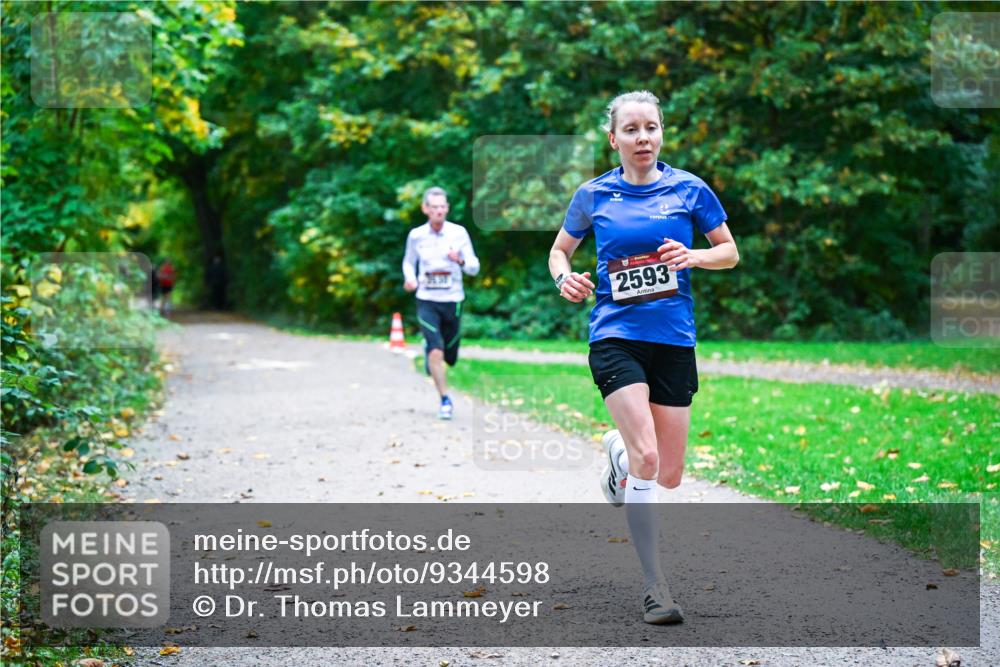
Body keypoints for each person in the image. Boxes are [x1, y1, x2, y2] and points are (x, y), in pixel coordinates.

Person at [548, 90, 739, 624]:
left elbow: (729, 250)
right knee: (648, 459)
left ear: (661, 134)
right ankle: (657, 587)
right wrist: (566, 278)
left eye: (650, 128)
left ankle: (618, 460)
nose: (643, 138)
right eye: (631, 129)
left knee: (670, 473)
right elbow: (560, 250)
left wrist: (696, 255)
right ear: (615, 139)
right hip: (615, 335)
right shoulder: (594, 196)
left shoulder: (689, 189)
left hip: (674, 340)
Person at [402, 187, 480, 419]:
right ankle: (445, 399)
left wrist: (461, 260)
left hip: (453, 300)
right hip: (427, 299)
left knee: (450, 356)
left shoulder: (459, 233)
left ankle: (434, 356)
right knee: (436, 350)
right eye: (434, 207)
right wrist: (411, 278)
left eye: (442, 207)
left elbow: (475, 267)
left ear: (447, 208)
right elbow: (408, 263)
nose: (439, 211)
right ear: (425, 209)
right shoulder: (416, 236)